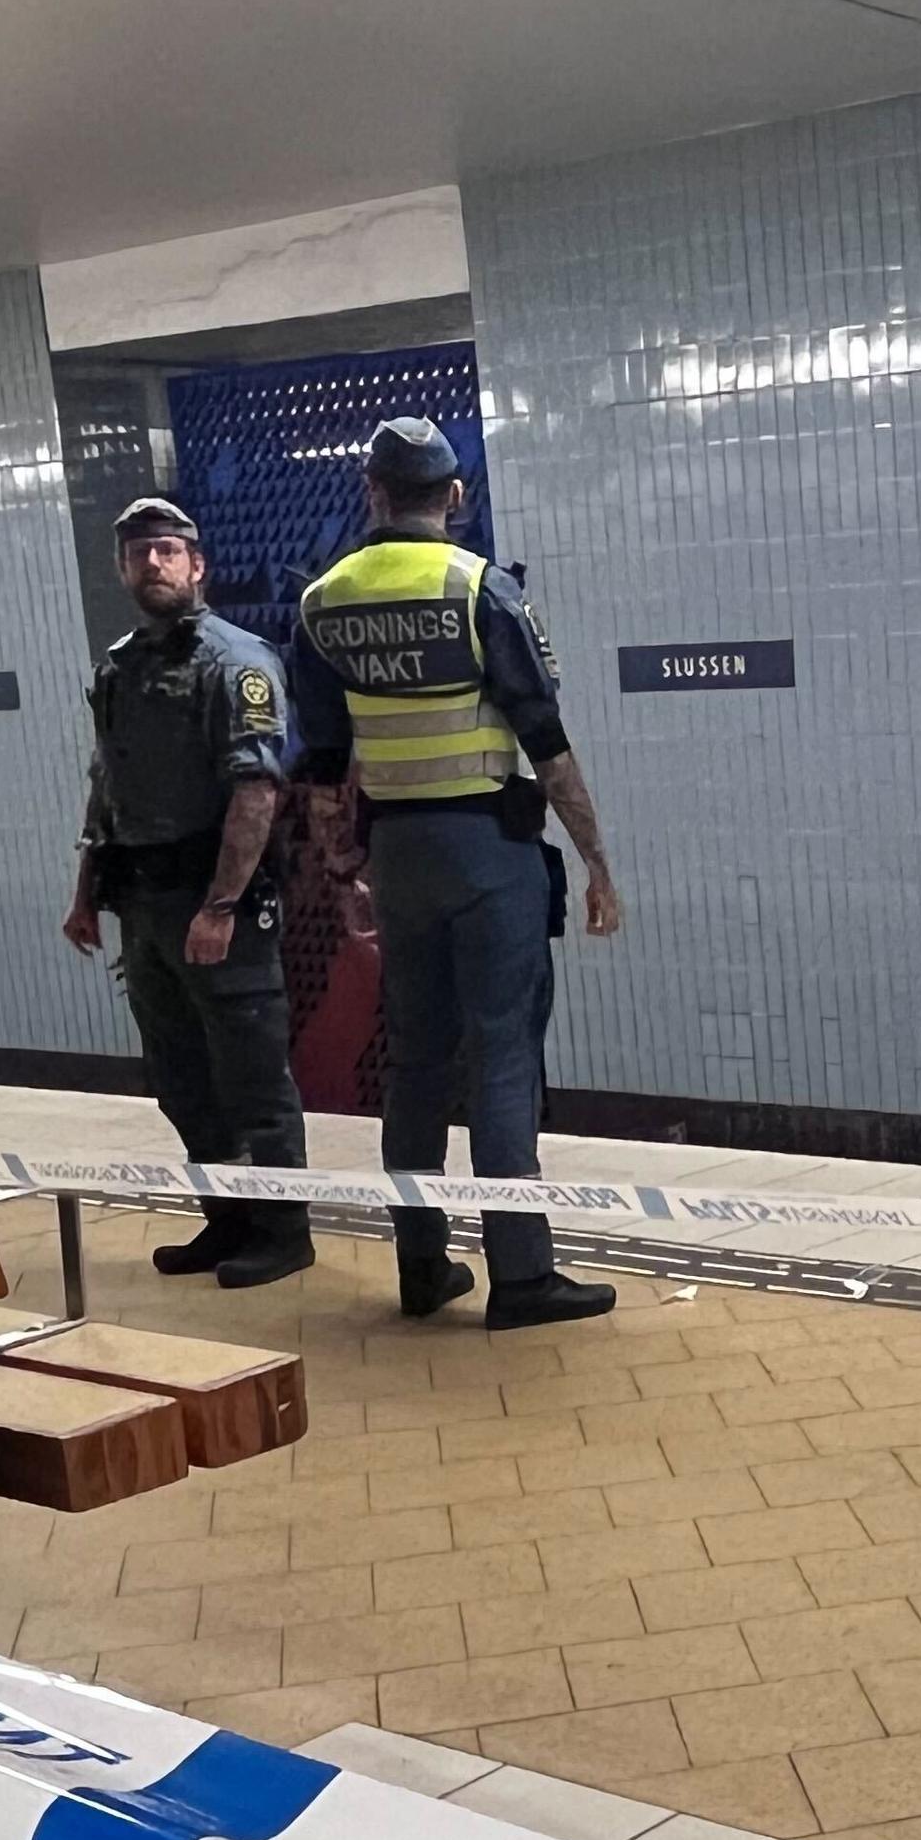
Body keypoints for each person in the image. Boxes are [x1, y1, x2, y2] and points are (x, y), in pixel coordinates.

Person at [289, 416, 626, 1330]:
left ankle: (421, 1264)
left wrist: (340, 859)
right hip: (488, 851)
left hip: (396, 860)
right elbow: (546, 747)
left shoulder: (323, 601)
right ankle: (522, 1278)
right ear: (455, 496)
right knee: (504, 1058)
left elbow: (319, 762)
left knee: (415, 1062)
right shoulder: (480, 590)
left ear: (372, 494)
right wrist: (596, 862)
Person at [60, 495, 313, 1288]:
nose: (154, 564)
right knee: (179, 1078)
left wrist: (222, 905)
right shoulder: (119, 666)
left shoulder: (238, 662)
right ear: (122, 568)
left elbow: (257, 792)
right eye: (140, 553)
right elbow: (108, 783)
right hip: (143, 902)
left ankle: (283, 1229)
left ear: (197, 566)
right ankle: (225, 1217)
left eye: (169, 551)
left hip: (215, 905)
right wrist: (85, 890)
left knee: (252, 1078)